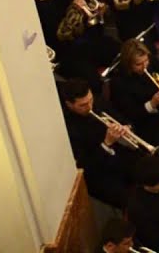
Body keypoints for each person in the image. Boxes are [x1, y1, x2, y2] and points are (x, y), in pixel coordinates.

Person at [59, 78, 144, 208]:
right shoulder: (67, 127)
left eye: (90, 100)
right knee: (131, 202)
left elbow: (122, 118)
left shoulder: (98, 101)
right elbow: (85, 165)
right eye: (82, 105)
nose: (90, 107)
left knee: (152, 171)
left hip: (119, 154)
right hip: (99, 173)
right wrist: (106, 143)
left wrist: (126, 128)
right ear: (69, 105)